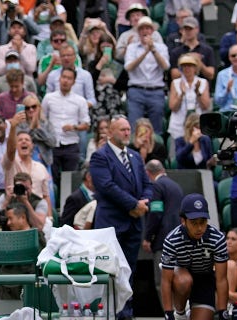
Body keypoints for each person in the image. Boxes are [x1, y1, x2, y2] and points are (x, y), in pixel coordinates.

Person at [89, 115, 152, 319]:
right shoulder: (100, 156)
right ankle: (109, 313)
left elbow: (148, 185)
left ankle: (126, 313)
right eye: (122, 129)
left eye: (128, 129)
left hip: (133, 225)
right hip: (111, 225)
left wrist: (144, 203)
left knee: (129, 272)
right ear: (110, 132)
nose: (127, 133)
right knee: (110, 272)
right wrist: (133, 205)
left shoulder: (135, 156)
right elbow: (107, 187)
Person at [161, 193, 228, 320]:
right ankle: (180, 313)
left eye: (203, 222)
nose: (199, 228)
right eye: (194, 223)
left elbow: (222, 279)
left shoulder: (218, 239)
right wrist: (168, 313)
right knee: (184, 281)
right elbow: (166, 281)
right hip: (181, 275)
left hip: (204, 279)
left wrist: (223, 312)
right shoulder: (172, 240)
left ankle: (192, 309)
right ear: (183, 221)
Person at [142, 159, 183, 300]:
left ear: (147, 173)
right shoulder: (176, 186)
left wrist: (148, 237)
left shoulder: (157, 186)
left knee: (163, 282)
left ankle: (169, 314)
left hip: (163, 241)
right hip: (179, 239)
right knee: (178, 280)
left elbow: (156, 213)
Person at [42, 67, 89, 185]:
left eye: (69, 78)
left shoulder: (80, 100)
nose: (65, 81)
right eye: (64, 77)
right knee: (52, 179)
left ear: (73, 81)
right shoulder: (49, 98)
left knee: (69, 180)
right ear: (59, 78)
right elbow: (42, 118)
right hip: (53, 144)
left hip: (71, 144)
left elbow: (86, 124)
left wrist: (74, 127)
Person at [124, 16, 169, 134]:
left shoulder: (161, 47)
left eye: (147, 28)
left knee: (156, 129)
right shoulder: (132, 48)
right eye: (142, 28)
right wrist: (145, 52)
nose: (145, 31)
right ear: (138, 31)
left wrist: (153, 50)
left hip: (156, 91)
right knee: (134, 128)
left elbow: (165, 66)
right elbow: (128, 67)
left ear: (152, 31)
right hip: (136, 90)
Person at [167, 54, 210, 142]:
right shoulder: (175, 83)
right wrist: (181, 94)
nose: (187, 68)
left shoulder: (203, 82)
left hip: (197, 125)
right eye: (184, 66)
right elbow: (172, 107)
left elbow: (206, 106)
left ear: (195, 68)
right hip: (179, 125)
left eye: (190, 65)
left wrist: (198, 93)